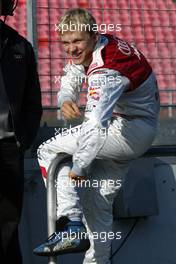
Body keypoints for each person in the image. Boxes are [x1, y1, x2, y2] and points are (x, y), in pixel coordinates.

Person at [33, 8, 160, 264]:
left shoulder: (106, 70)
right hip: (134, 129)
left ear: (92, 35)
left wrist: (79, 165)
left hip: (126, 130)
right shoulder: (101, 45)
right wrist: (66, 97)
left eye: (77, 41)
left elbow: (94, 125)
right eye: (66, 43)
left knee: (48, 151)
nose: (71, 49)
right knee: (97, 203)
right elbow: (72, 72)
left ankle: (70, 225)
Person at [0, 0, 42, 263]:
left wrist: (21, 140)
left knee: (8, 223)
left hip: (7, 148)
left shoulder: (19, 46)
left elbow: (32, 102)